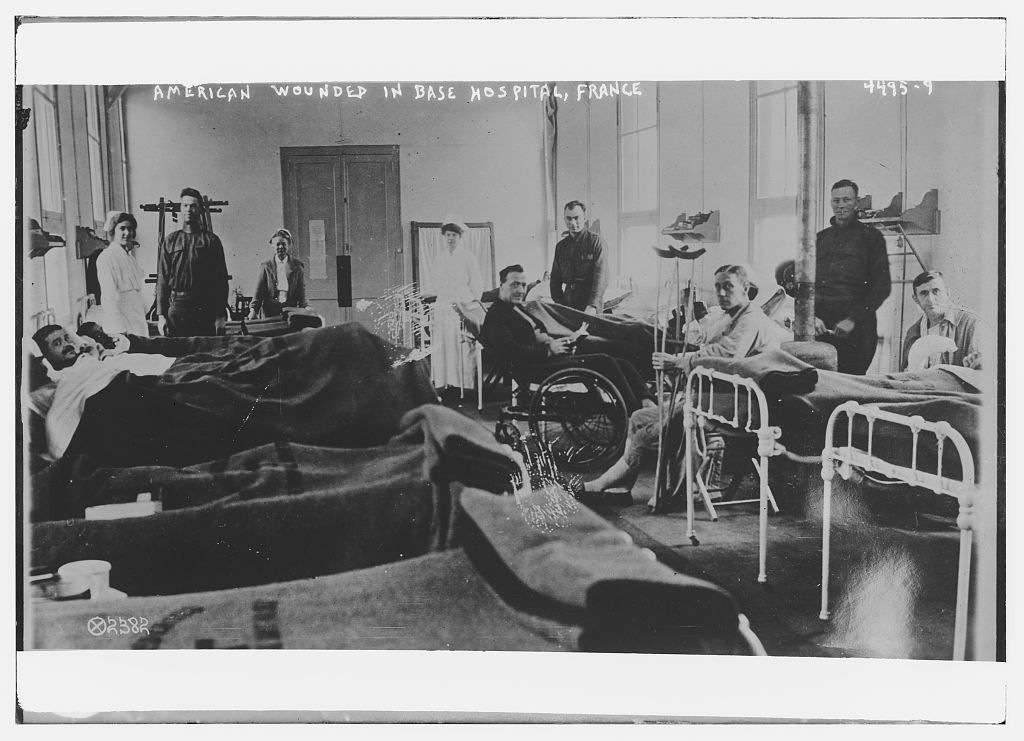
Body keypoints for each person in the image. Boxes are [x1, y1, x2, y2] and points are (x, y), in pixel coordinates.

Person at [583, 263, 781, 496]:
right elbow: (703, 339)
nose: (721, 293)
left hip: (738, 404)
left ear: (746, 288)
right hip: (716, 397)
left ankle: (605, 483)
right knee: (638, 418)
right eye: (718, 287)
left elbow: (725, 355)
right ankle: (622, 487)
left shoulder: (751, 320)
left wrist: (677, 361)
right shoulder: (730, 317)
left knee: (648, 432)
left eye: (728, 286)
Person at [481, 264, 652, 409]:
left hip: (550, 356)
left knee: (621, 361)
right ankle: (635, 411)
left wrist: (560, 342)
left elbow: (536, 334)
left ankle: (647, 401)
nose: (520, 290)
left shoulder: (517, 308)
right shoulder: (497, 315)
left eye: (523, 285)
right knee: (605, 361)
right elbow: (511, 352)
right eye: (514, 285)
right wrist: (548, 350)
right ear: (501, 285)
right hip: (534, 367)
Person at [814, 179, 891, 374]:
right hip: (821, 329)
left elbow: (882, 286)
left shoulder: (871, 238)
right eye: (836, 201)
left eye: (846, 200)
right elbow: (803, 284)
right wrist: (811, 317)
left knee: (851, 386)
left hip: (858, 330)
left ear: (856, 202)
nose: (841, 206)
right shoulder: (819, 239)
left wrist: (852, 319)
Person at [155, 187, 230, 337]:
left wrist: (221, 315)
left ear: (200, 210)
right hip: (177, 309)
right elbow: (162, 279)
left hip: (204, 309)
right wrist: (161, 315)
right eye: (185, 205)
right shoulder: (170, 240)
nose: (189, 209)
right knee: (177, 355)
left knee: (205, 355)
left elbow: (221, 280)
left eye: (193, 206)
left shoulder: (211, 241)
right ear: (181, 208)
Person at [425, 221, 483, 392]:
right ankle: (444, 382)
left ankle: (464, 384)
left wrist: (472, 303)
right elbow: (436, 282)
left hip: (462, 305)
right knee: (443, 343)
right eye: (448, 235)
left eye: (454, 235)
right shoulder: (440, 257)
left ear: (460, 237)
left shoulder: (468, 257)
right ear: (444, 237)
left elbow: (477, 282)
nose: (451, 238)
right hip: (443, 305)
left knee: (461, 343)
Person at [900, 270, 986, 371]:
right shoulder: (913, 332)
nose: (931, 299)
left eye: (936, 291)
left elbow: (980, 372)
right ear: (916, 299)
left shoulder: (971, 323)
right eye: (924, 293)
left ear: (948, 293)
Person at [549, 200, 609, 314]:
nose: (572, 222)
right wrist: (560, 305)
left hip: (590, 302)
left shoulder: (596, 242)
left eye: (576, 218)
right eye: (569, 218)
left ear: (584, 218)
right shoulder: (561, 247)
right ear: (564, 219)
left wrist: (592, 306)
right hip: (568, 302)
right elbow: (554, 280)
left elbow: (601, 278)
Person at [96, 211, 148, 336]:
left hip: (135, 313)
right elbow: (108, 296)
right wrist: (118, 328)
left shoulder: (129, 257)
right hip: (121, 317)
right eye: (122, 228)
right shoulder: (107, 257)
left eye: (130, 229)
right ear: (113, 230)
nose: (127, 233)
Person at [248, 228, 309, 319]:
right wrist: (253, 310)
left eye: (284, 244)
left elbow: (302, 292)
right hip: (269, 313)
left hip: (290, 314)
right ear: (273, 246)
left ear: (289, 245)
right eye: (278, 244)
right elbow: (259, 292)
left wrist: (306, 307)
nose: (281, 247)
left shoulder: (297, 267)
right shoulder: (266, 267)